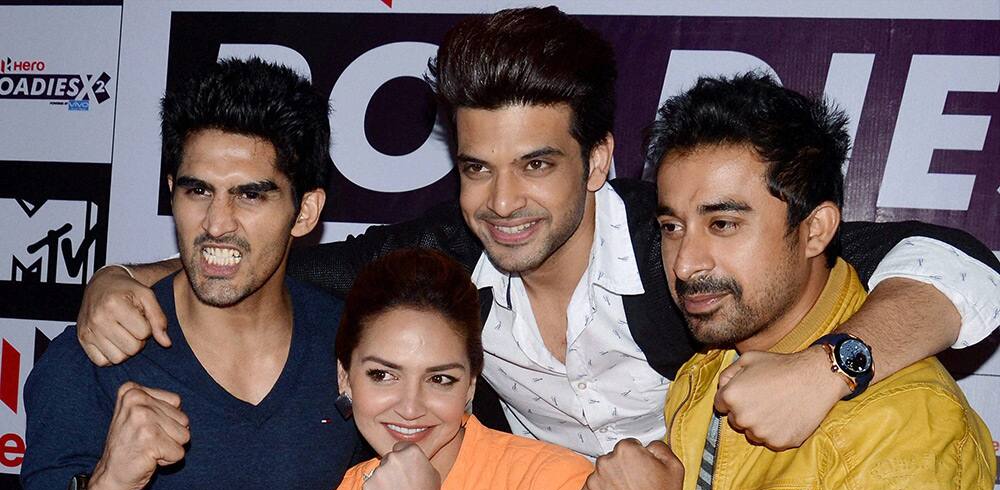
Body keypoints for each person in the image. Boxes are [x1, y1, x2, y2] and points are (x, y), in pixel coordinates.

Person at [76, 7, 1000, 463]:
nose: (502, 202)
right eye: (478, 167)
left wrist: (829, 367)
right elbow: (284, 259)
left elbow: (958, 266)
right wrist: (123, 274)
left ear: (597, 160)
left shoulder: (674, 243)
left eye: (537, 165)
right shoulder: (444, 255)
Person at [579, 73, 995, 490]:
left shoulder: (904, 418)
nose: (684, 263)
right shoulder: (706, 373)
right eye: (673, 226)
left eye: (723, 223)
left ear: (816, 230)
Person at [2, 58, 360, 490]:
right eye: (198, 191)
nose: (217, 223)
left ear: (305, 211)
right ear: (173, 191)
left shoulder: (355, 349)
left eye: (251, 195)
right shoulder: (96, 358)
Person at [319, 248, 619, 490]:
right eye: (383, 375)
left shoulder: (552, 487)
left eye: (440, 379)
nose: (410, 407)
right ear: (345, 377)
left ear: (470, 387)